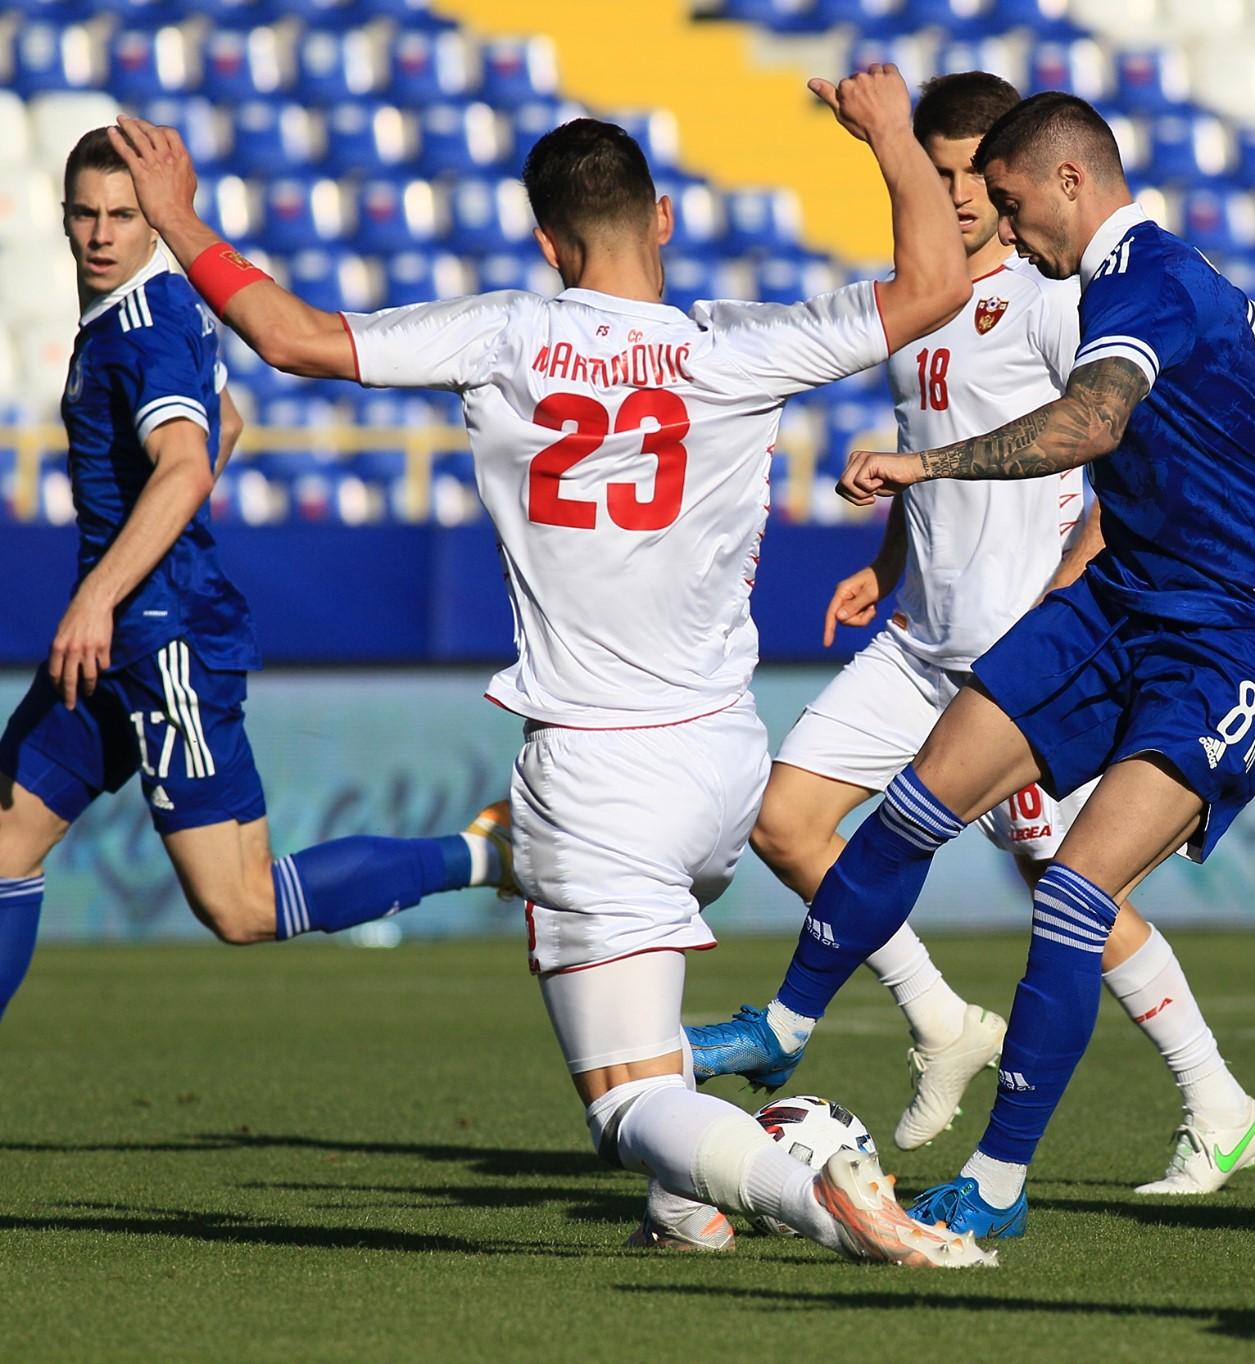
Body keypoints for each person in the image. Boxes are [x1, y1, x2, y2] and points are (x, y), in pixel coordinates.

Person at [108, 66, 998, 1268]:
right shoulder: (735, 347)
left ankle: (809, 1170)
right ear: (664, 219)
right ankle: (689, 1210)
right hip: (725, 760)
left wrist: (177, 214)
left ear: (546, 242)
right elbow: (936, 283)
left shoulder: (509, 334)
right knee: (648, 1044)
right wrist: (890, 133)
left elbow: (289, 337)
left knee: (623, 1102)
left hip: (596, 774)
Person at [687, 90, 1255, 1240]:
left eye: (1005, 202)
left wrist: (919, 463)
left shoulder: (1139, 288)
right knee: (910, 805)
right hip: (1117, 600)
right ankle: (789, 1021)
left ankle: (998, 1181)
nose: (999, 223)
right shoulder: (1150, 279)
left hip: (1229, 635)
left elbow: (1089, 425)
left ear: (1065, 182)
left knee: (1076, 892)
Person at [0, 129, 511, 1023]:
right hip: (124, 638)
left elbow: (190, 463)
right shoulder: (148, 310)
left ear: (153, 222)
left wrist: (101, 592)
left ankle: (483, 857)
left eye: (123, 214)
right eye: (85, 214)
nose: (101, 234)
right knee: (4, 844)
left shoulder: (144, 326)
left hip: (159, 644)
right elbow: (224, 422)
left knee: (240, 906)